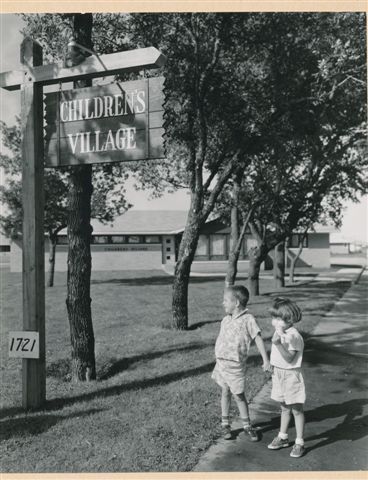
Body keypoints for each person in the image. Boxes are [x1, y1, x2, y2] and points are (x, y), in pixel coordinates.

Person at [212, 285, 271, 441]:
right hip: (222, 364)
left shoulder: (248, 319)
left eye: (225, 300)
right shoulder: (225, 320)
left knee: (238, 395)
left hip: (236, 366)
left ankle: (246, 425)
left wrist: (265, 359)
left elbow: (257, 338)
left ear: (236, 302)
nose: (222, 303)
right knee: (224, 392)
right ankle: (225, 424)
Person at [267, 297, 306, 458]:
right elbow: (278, 356)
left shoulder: (294, 336)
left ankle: (299, 442)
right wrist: (272, 364)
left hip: (291, 375)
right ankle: (283, 437)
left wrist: (277, 344)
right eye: (273, 318)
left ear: (289, 319)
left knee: (296, 410)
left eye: (278, 318)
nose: (274, 322)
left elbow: (289, 358)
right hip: (279, 373)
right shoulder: (281, 332)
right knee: (284, 407)